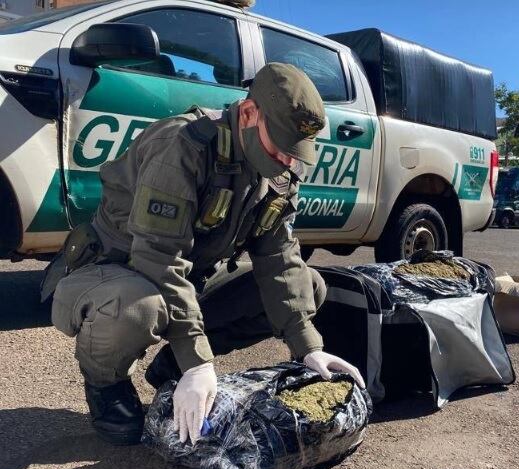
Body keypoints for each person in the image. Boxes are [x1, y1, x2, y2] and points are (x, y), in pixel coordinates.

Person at [45, 63, 364, 446]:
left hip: (191, 274)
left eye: (294, 151)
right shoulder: (182, 145)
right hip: (121, 270)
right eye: (278, 144)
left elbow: (279, 254)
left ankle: (171, 370)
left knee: (308, 287)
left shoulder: (277, 168)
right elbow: (158, 257)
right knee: (136, 307)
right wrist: (198, 361)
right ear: (248, 114)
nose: (286, 160)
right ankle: (106, 386)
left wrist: (308, 347)